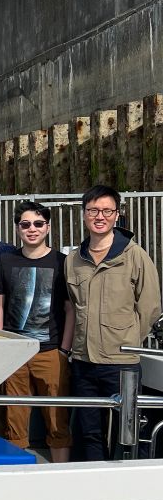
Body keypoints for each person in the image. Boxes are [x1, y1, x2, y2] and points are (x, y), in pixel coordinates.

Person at [66, 185, 161, 461]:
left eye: (107, 211)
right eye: (93, 210)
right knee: (88, 431)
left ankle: (127, 483)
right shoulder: (73, 259)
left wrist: (128, 339)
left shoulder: (134, 256)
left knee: (126, 429)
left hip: (121, 362)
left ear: (117, 215)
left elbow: (150, 306)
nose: (100, 216)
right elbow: (73, 304)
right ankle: (95, 481)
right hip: (83, 360)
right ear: (84, 214)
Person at [0, 201, 73, 462]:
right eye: (25, 224)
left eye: (38, 224)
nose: (32, 229)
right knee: (13, 422)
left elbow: (70, 308)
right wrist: (3, 344)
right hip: (15, 352)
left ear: (47, 227)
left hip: (51, 352)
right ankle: (17, 478)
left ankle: (62, 477)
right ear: (17, 229)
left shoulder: (62, 262)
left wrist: (64, 350)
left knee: (57, 420)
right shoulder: (6, 261)